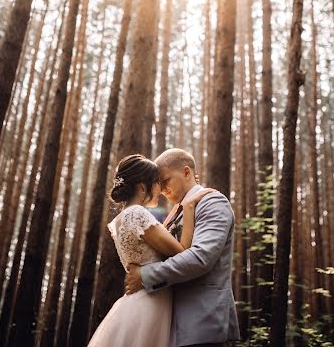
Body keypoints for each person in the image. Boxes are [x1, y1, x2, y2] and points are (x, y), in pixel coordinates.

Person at [87, 153, 213, 347]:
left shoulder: (119, 220)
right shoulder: (137, 214)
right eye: (156, 183)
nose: (161, 189)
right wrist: (188, 208)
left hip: (139, 299)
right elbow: (183, 252)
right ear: (142, 187)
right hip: (151, 302)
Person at [126, 148, 240, 347]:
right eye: (158, 184)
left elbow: (200, 259)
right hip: (169, 323)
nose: (161, 189)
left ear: (186, 172)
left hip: (201, 322)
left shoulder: (212, 202)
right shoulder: (177, 211)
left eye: (165, 181)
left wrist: (145, 276)